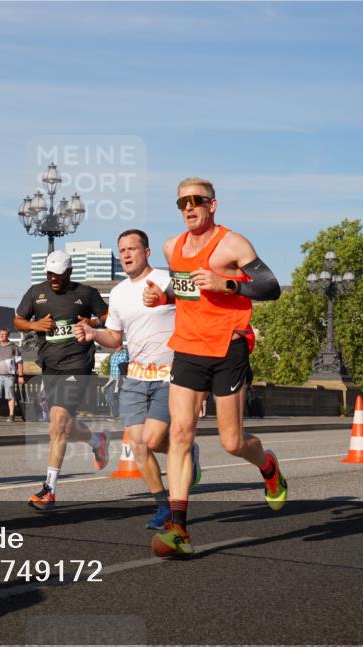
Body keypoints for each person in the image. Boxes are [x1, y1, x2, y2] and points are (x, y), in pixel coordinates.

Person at [145, 177, 284, 557]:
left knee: (232, 442)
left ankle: (268, 467)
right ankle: (179, 528)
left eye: (196, 201)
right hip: (188, 348)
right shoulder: (172, 247)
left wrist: (227, 284)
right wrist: (160, 296)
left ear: (213, 204)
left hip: (228, 348)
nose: (189, 208)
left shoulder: (233, 243)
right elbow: (181, 287)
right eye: (181, 203)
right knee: (180, 435)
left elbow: (271, 287)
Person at [76, 229, 201, 531]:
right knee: (138, 445)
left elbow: (197, 300)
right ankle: (163, 507)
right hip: (135, 375)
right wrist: (94, 334)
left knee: (154, 439)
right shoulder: (118, 293)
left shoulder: (166, 278)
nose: (127, 254)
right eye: (122, 250)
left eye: (133, 248)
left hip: (169, 375)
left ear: (147, 252)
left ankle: (185, 451)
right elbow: (116, 336)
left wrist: (167, 296)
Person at [14, 250, 110, 510]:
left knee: (56, 424)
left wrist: (92, 322)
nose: (53, 279)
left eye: (58, 275)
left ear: (69, 272)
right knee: (65, 428)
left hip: (78, 364)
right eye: (49, 274)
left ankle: (49, 490)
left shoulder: (86, 293)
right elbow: (18, 320)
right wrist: (34, 326)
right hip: (50, 366)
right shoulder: (36, 292)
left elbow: (108, 317)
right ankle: (96, 441)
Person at [0, 328, 25, 421]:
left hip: (9, 376)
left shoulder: (14, 347)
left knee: (10, 396)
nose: (1, 336)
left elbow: (20, 362)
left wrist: (21, 376)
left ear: (7, 335)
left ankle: (11, 415)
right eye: (0, 334)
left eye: (3, 334)